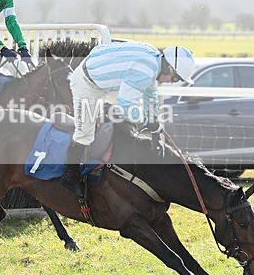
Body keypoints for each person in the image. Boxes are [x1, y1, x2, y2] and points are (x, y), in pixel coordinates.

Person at [61, 42, 197, 196]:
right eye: (174, 79)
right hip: (86, 84)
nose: (171, 82)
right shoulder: (145, 71)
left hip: (104, 78)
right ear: (170, 68)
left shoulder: (154, 59)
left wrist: (155, 128)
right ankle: (69, 175)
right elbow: (124, 109)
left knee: (127, 115)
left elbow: (150, 96)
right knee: (85, 133)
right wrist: (147, 122)